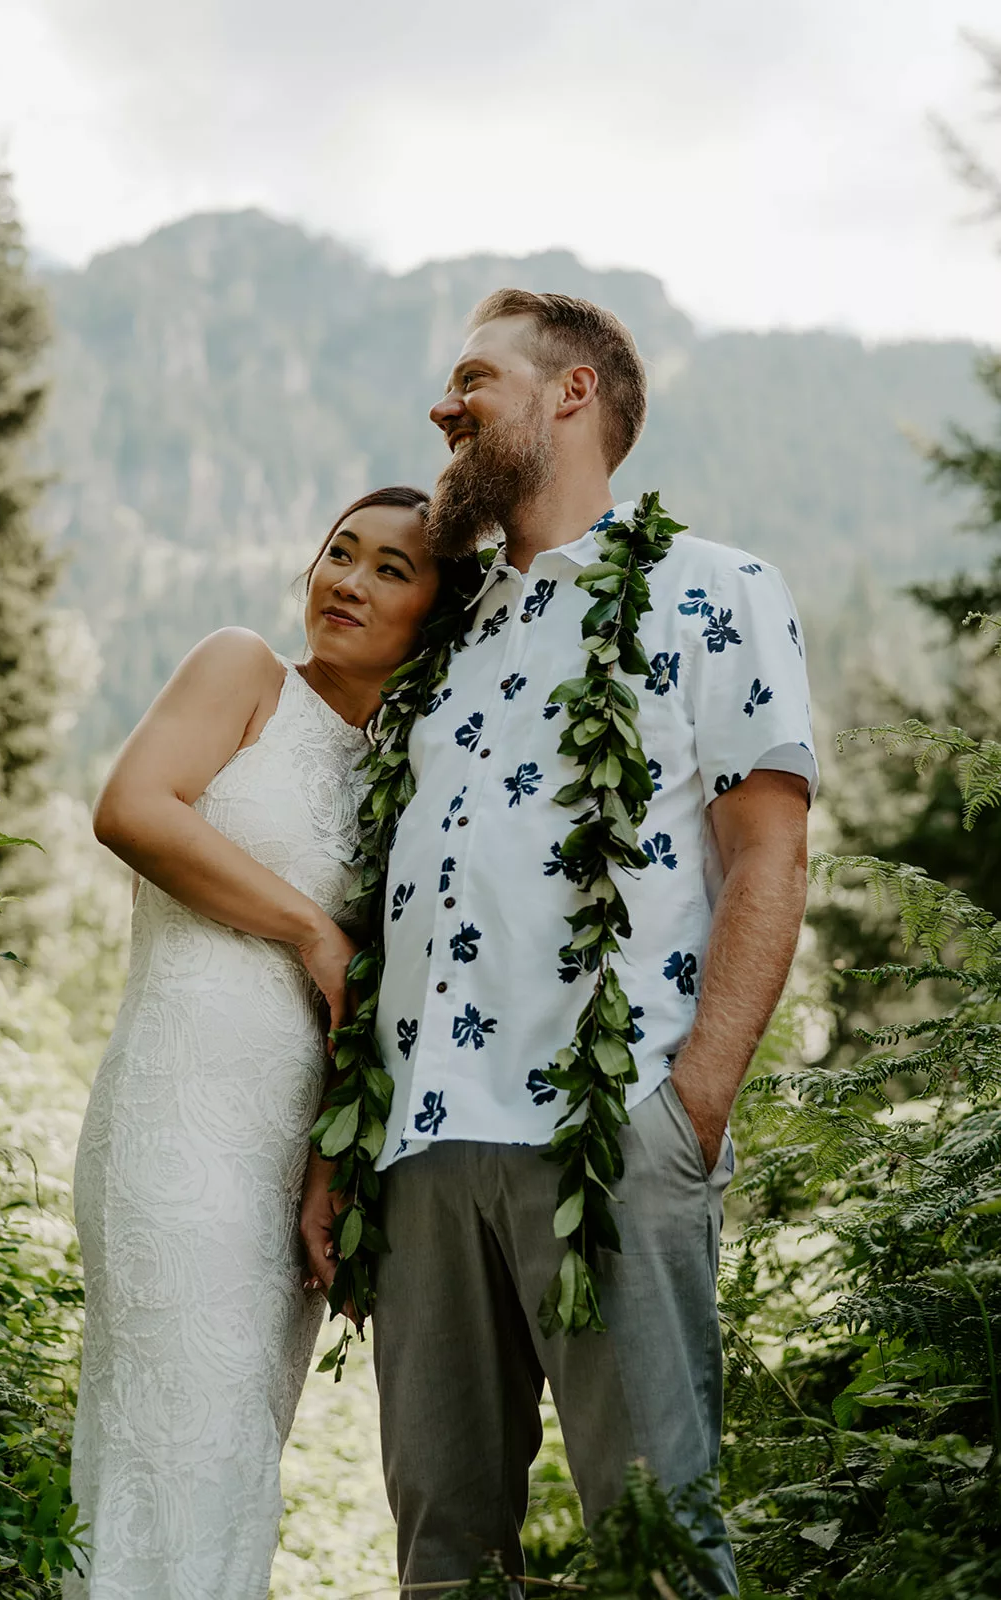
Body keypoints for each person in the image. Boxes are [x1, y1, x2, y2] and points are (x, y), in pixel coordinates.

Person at [301, 291, 816, 1598]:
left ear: (571, 392)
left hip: (609, 1131)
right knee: (442, 1558)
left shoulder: (715, 591)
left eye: (474, 377)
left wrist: (687, 1109)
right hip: (419, 1151)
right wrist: (342, 1146)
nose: (443, 406)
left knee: (653, 1547)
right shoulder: (446, 629)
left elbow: (766, 854)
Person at [65, 487, 453, 1600]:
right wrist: (311, 930)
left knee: (234, 1455)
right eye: (340, 553)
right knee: (169, 1444)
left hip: (286, 1161)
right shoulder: (245, 671)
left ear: (435, 614)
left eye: (391, 570)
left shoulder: (412, 773)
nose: (348, 582)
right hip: (175, 1124)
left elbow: (370, 1002)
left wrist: (328, 1171)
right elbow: (132, 808)